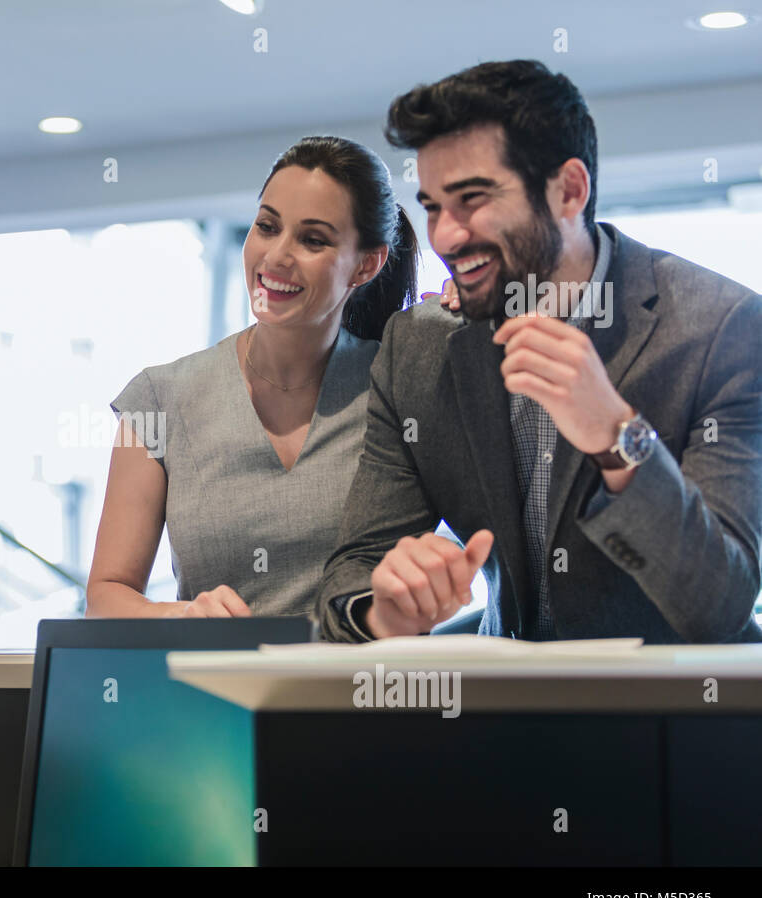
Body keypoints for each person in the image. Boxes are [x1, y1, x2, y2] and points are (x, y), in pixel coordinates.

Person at [315, 60, 762, 644]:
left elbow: (718, 603)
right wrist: (385, 613)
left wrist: (617, 438)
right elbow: (353, 574)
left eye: (472, 198)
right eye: (430, 206)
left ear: (569, 190)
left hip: (676, 718)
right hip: (504, 715)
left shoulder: (720, 327)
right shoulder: (416, 348)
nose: (445, 236)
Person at [86, 136, 419, 618]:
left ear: (366, 265)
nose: (277, 255)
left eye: (313, 239)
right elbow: (105, 596)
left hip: (362, 688)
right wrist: (183, 617)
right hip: (215, 690)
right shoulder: (160, 399)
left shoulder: (398, 386)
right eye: (267, 226)